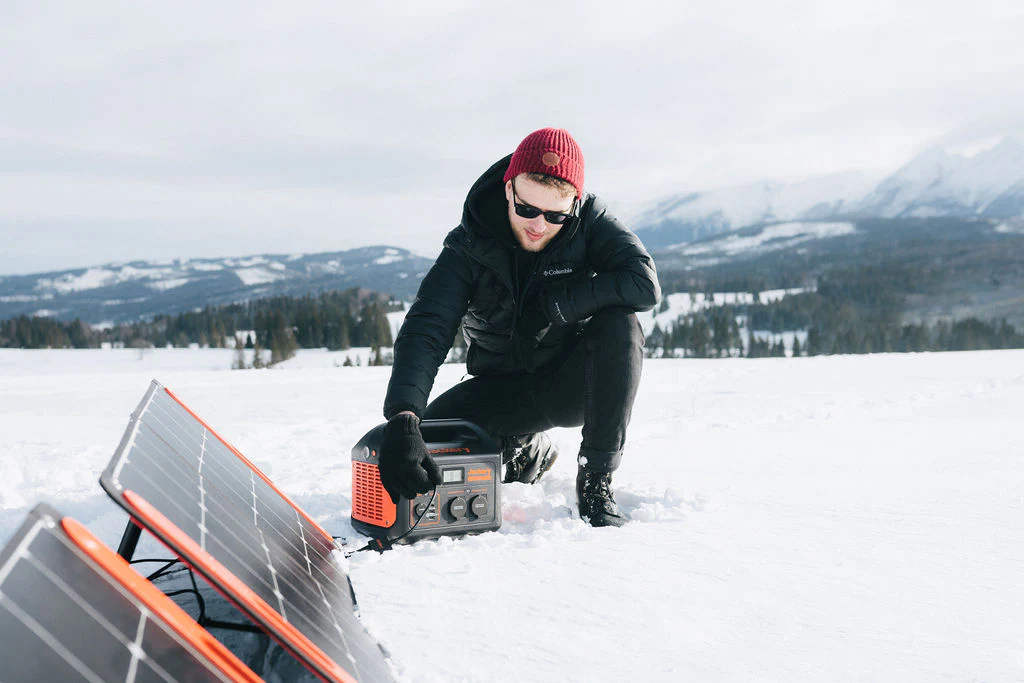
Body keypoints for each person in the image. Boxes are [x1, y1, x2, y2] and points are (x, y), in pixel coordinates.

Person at [377, 128, 660, 527]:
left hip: (570, 384)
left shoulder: (591, 220)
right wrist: (404, 416)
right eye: (527, 210)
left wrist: (557, 305)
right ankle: (524, 448)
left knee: (621, 322)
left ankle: (596, 479)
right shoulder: (468, 244)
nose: (539, 226)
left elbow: (644, 283)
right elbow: (428, 327)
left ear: (574, 205)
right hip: (499, 387)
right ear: (509, 188)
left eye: (556, 216)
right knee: (423, 447)